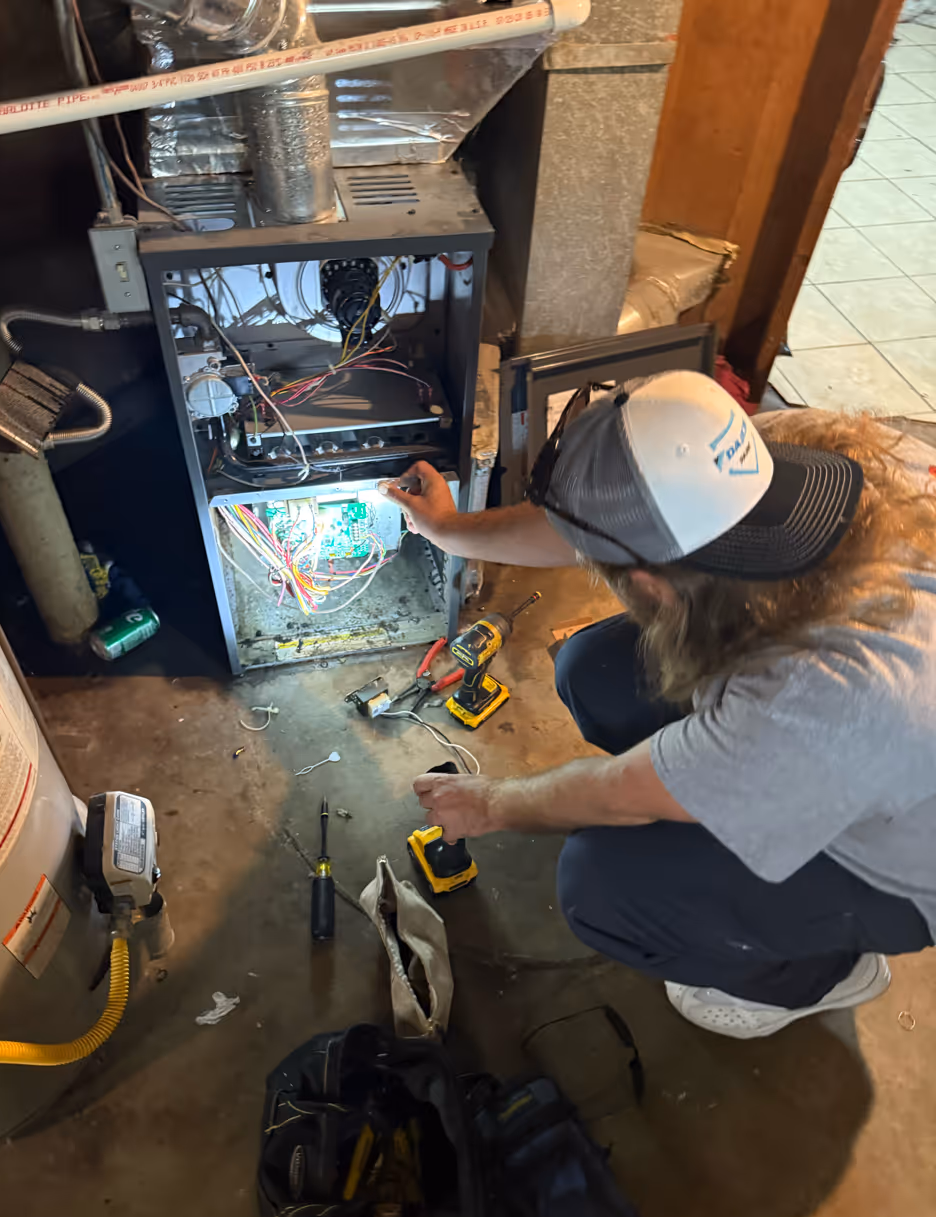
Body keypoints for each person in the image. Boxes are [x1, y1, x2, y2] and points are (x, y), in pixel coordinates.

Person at [379, 370, 936, 1039]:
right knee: (596, 670)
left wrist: (490, 803)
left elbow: (622, 796)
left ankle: (816, 973)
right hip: (870, 752)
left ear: (650, 583)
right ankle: (733, 812)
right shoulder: (786, 452)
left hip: (901, 864)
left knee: (605, 887)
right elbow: (593, 523)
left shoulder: (828, 693)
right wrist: (449, 530)